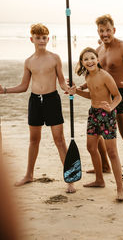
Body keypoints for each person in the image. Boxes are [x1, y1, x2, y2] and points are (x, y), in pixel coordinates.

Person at [0, 23, 75, 193]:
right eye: (38, 37)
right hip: (35, 101)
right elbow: (23, 86)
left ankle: (70, 179)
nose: (41, 40)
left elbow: (62, 81)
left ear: (48, 39)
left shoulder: (55, 58)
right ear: (31, 39)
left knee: (60, 140)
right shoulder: (28, 62)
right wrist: (4, 91)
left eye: (44, 37)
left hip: (52, 100)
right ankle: (29, 174)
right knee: (34, 140)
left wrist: (67, 88)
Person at [82, 15, 123, 197]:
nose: (105, 34)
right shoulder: (98, 50)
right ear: (98, 32)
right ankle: (104, 166)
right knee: (99, 133)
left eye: (108, 30)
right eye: (101, 31)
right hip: (102, 96)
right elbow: (93, 75)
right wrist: (77, 87)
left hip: (122, 94)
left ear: (114, 30)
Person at [70, 47, 123, 201]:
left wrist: (111, 107)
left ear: (98, 59)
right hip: (93, 114)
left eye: (92, 58)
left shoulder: (105, 76)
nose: (90, 61)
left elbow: (118, 97)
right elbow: (91, 93)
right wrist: (77, 90)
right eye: (86, 59)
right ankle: (99, 180)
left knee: (112, 152)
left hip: (107, 115)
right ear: (82, 62)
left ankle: (120, 188)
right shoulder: (87, 75)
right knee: (91, 147)